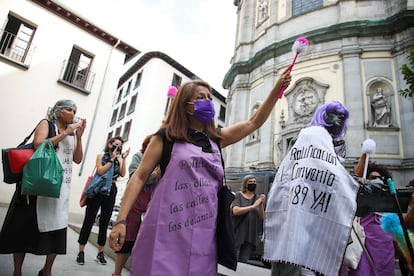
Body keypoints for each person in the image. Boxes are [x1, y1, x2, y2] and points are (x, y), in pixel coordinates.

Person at [109, 68, 291, 275]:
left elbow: (253, 122)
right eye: (200, 98)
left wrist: (278, 87)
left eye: (209, 98)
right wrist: (121, 220)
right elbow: (139, 177)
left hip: (203, 235)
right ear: (186, 105)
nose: (208, 102)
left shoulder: (217, 139)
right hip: (164, 231)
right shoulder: (165, 137)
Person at [264, 101, 360, 276]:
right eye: (334, 113)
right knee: (291, 264)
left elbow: (335, 177)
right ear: (323, 115)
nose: (339, 118)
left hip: (319, 215)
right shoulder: (307, 136)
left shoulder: (339, 147)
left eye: (342, 116)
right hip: (297, 210)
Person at [0, 99, 86, 276]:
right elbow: (39, 144)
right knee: (23, 229)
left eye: (75, 110)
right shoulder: (46, 123)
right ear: (58, 111)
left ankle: (47, 270)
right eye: (69, 109)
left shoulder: (72, 133)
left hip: (59, 189)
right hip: (36, 186)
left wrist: (78, 136)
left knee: (57, 229)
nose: (73, 113)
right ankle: (17, 271)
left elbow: (77, 159)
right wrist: (65, 133)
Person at [76, 136, 129, 265]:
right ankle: (81, 251)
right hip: (97, 190)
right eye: (115, 145)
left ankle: (100, 252)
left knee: (104, 222)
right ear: (110, 144)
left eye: (120, 146)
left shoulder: (119, 160)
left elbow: (122, 174)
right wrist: (111, 160)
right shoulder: (102, 156)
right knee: (89, 220)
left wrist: (123, 159)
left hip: (111, 190)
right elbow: (100, 171)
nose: (117, 148)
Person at [112, 134, 159, 276]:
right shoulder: (139, 156)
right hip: (134, 204)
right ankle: (117, 273)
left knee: (144, 243)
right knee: (127, 241)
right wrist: (155, 175)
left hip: (151, 205)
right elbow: (135, 177)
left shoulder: (161, 161)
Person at [341, 163, 395, 275]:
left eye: (380, 178)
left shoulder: (388, 206)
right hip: (364, 246)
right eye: (373, 178)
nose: (378, 180)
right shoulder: (359, 201)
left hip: (384, 249)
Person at [231, 175, 265, 263]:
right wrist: (253, 206)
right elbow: (235, 211)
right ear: (245, 184)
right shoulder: (238, 195)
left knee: (243, 261)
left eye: (254, 182)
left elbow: (261, 217)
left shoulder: (257, 198)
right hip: (238, 232)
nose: (253, 184)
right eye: (250, 182)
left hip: (251, 234)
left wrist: (260, 204)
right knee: (234, 258)